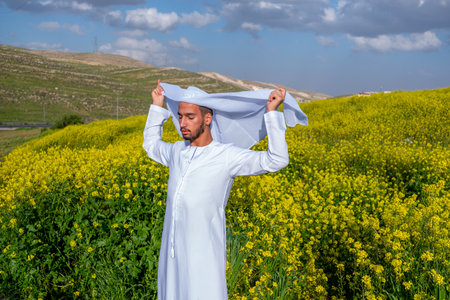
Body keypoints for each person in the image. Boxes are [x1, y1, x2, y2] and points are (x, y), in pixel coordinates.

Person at [143, 79, 290, 300]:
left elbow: (276, 160)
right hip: (171, 254)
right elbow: (151, 146)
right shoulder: (176, 151)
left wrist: (271, 113)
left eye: (190, 117)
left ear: (207, 119)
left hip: (203, 255)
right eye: (180, 116)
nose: (183, 123)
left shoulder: (226, 156)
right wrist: (157, 105)